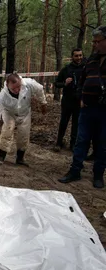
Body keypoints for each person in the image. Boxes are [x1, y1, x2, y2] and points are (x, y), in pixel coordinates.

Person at [58, 25, 106, 189]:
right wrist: (81, 97)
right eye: (93, 41)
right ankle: (75, 171)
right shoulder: (91, 60)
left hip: (104, 111)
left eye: (98, 41)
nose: (94, 44)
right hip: (87, 108)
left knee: (102, 143)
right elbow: (83, 79)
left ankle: (98, 174)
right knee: (81, 140)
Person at [0, 74, 47, 166]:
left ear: (20, 82)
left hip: (24, 113)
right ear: (7, 85)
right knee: (7, 131)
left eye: (19, 87)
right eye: (13, 89)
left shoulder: (29, 84)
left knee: (24, 135)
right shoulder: (2, 96)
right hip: (9, 113)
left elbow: (40, 89)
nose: (17, 90)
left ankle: (20, 158)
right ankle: (1, 156)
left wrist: (43, 102)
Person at [53, 48, 85, 152]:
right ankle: (58, 143)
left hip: (79, 101)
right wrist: (64, 83)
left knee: (76, 123)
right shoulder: (66, 69)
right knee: (64, 122)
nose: (79, 57)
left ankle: (72, 145)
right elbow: (56, 83)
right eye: (76, 55)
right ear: (72, 57)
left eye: (80, 55)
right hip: (67, 101)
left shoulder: (85, 68)